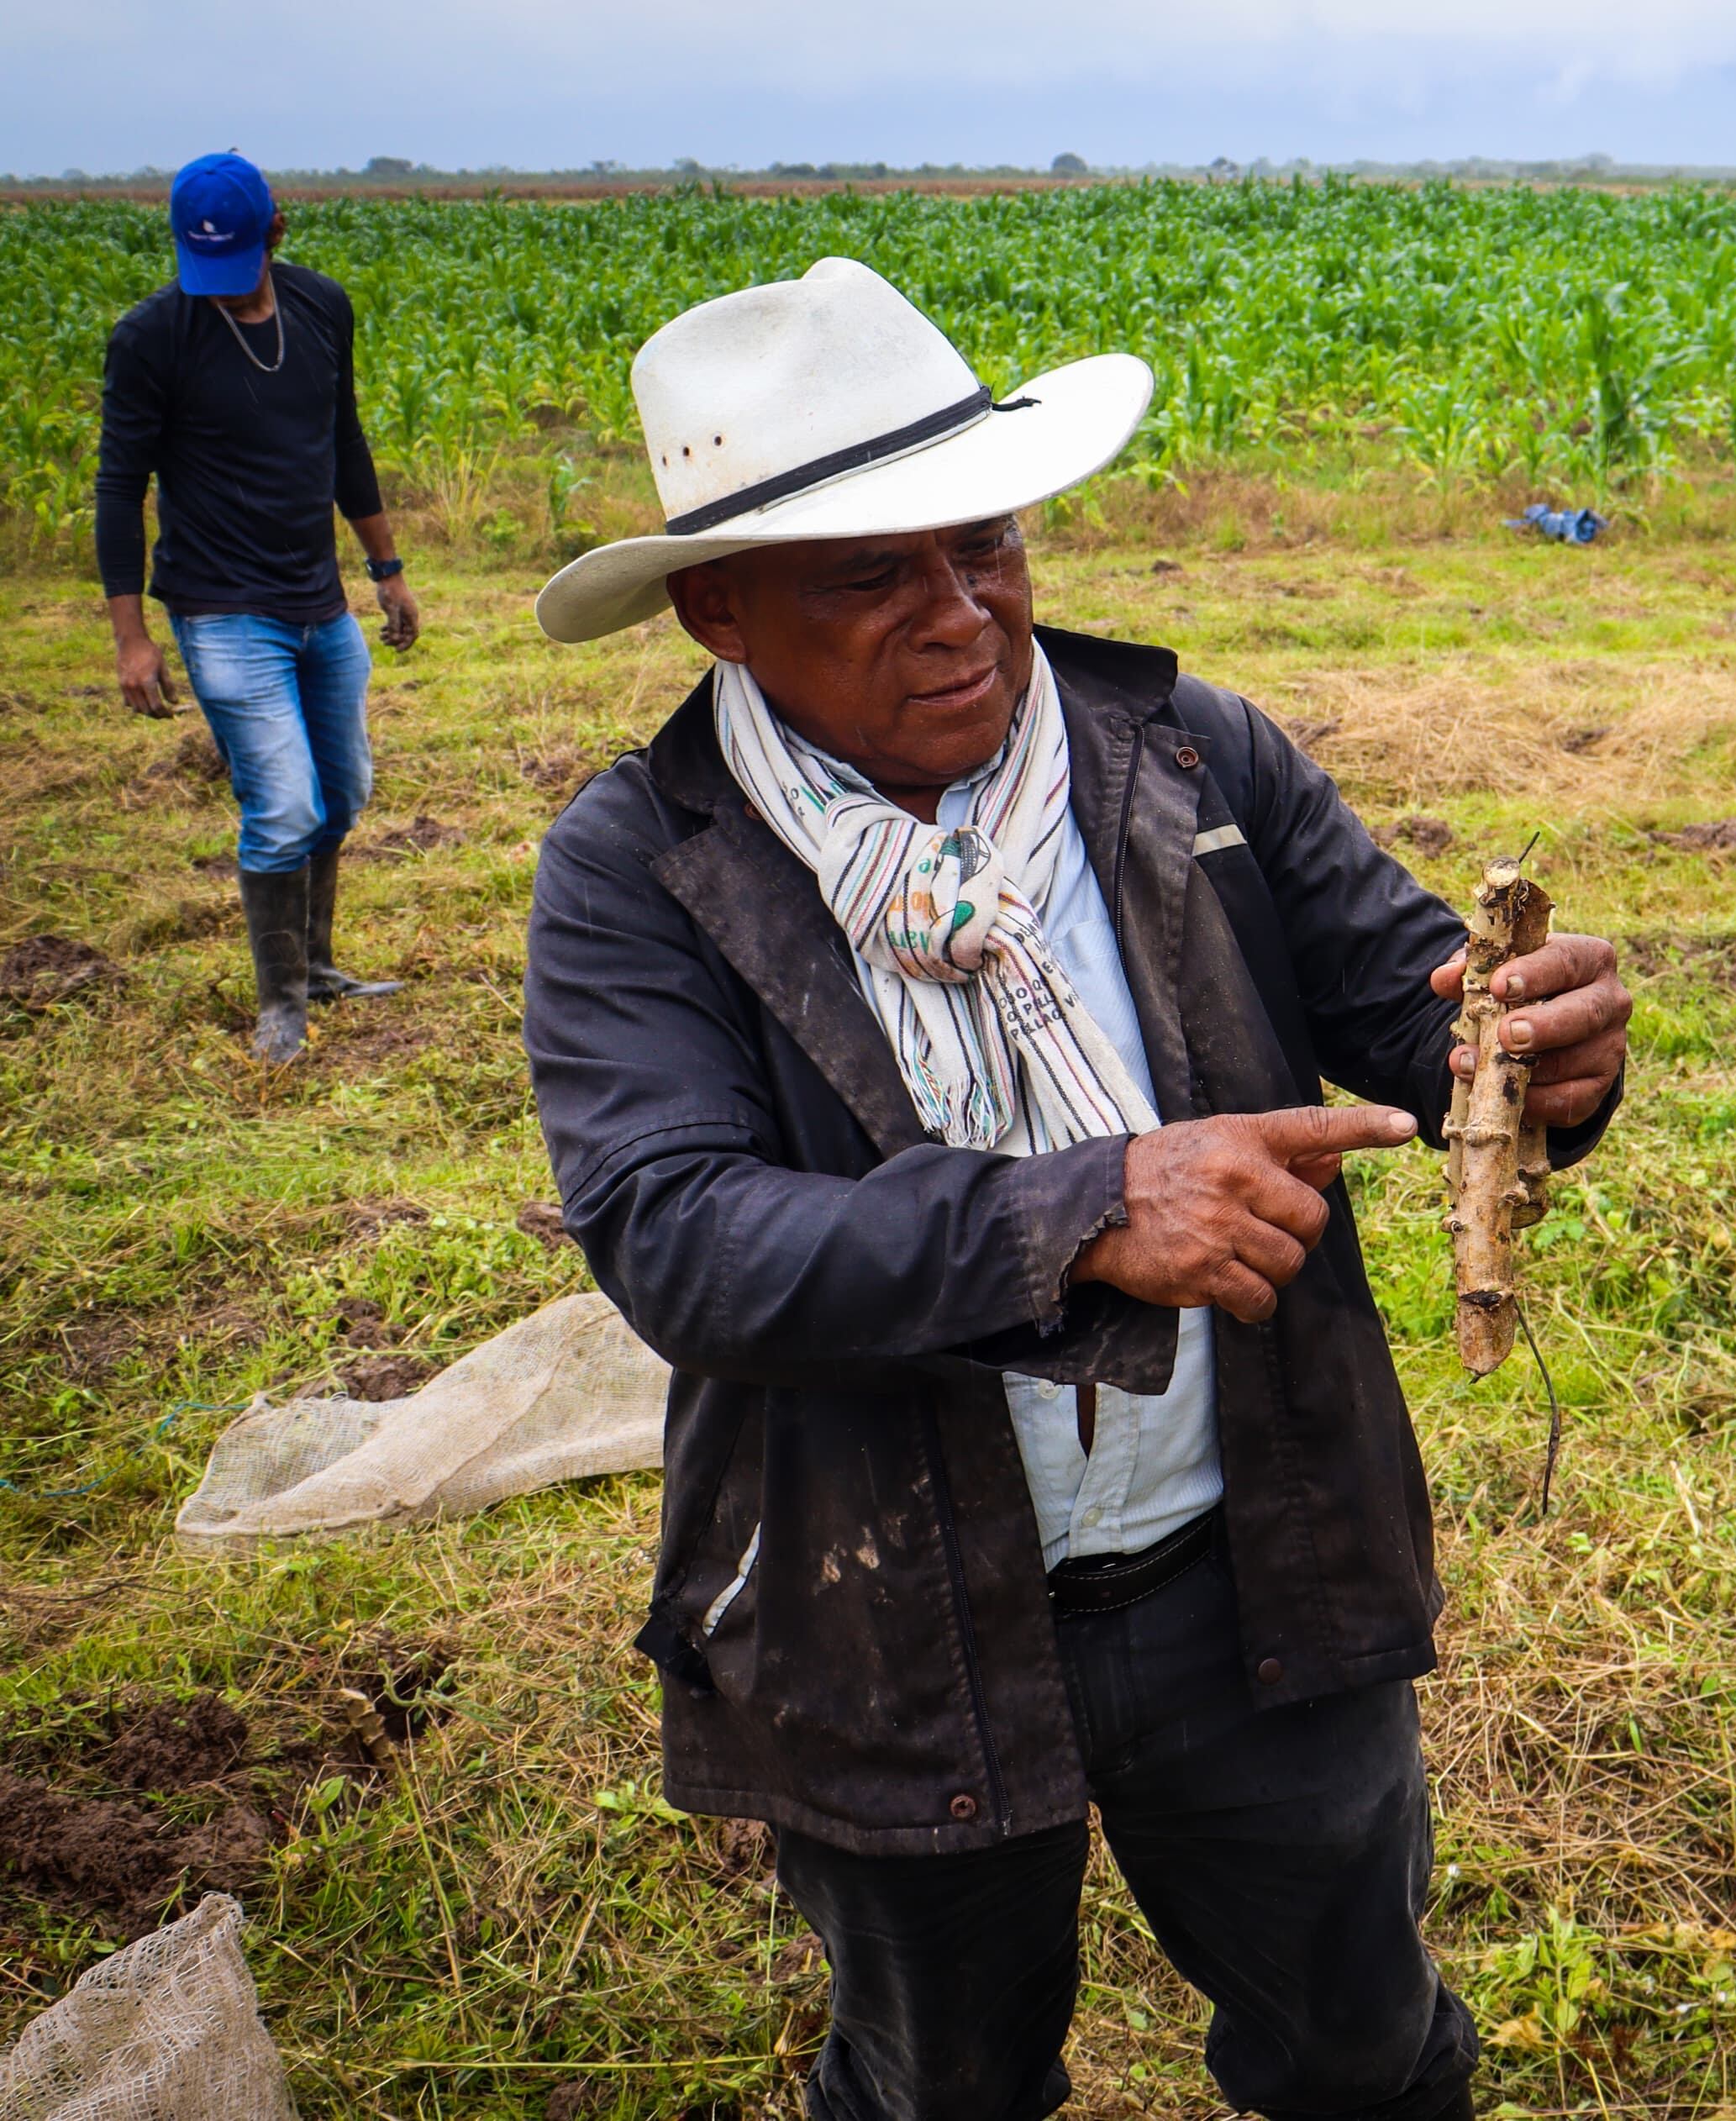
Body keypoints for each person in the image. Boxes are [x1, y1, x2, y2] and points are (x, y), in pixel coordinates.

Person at [522, 258, 1631, 2121]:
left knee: (1360, 2044)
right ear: (719, 608)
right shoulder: (646, 865)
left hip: (1249, 1554)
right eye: (870, 574)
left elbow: (1409, 1007)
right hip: (889, 1606)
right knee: (939, 2079)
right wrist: (1087, 1208)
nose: (963, 613)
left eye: (988, 543)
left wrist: (1537, 1054)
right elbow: (679, 1237)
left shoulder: (1184, 751)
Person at [97, 151, 421, 1064]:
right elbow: (119, 489)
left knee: (341, 794)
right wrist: (131, 637)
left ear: (275, 229)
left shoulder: (321, 306)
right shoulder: (151, 338)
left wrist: (387, 568)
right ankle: (279, 1007)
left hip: (319, 600)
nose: (224, 285)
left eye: (238, 262)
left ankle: (314, 966)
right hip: (221, 609)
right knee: (282, 803)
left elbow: (344, 440)